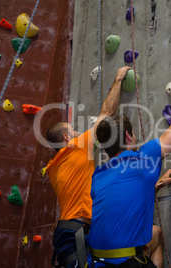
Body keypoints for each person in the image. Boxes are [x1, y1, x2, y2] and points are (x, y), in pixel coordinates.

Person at [87, 82, 171, 267]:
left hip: (95, 261)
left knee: (156, 232)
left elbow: (122, 201)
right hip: (123, 263)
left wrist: (156, 185)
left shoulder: (98, 176)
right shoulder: (142, 160)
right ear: (129, 137)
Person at [46, 66, 131, 267]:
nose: (78, 133)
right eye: (74, 131)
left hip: (71, 231)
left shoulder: (53, 167)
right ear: (67, 138)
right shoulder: (75, 147)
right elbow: (107, 113)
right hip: (75, 232)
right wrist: (118, 79)